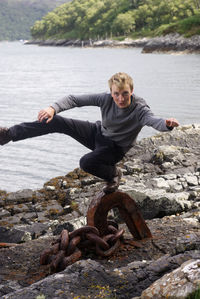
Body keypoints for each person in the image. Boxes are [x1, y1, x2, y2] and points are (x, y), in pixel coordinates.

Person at [0, 72, 179, 193]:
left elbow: (153, 120)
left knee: (86, 162)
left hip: (114, 148)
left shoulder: (139, 108)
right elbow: (73, 99)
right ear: (111, 92)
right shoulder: (104, 98)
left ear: (131, 91)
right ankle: (8, 135)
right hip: (98, 132)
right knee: (55, 121)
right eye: (116, 94)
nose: (121, 98)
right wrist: (52, 108)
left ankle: (114, 174)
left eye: (125, 93)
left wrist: (167, 124)